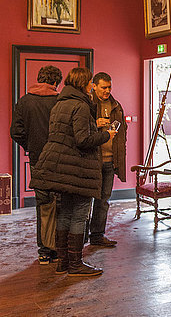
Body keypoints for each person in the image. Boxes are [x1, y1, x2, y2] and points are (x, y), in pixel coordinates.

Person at [30, 67, 116, 277]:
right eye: (89, 82)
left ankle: (63, 262)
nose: (91, 86)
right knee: (78, 215)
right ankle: (76, 264)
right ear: (84, 83)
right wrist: (106, 136)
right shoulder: (81, 105)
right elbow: (82, 140)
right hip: (77, 169)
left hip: (60, 167)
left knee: (65, 213)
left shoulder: (60, 103)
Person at [10, 65, 63, 265]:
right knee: (61, 202)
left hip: (37, 158)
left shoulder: (24, 101)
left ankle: (44, 250)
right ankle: (60, 247)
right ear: (56, 82)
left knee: (43, 203)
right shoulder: (59, 101)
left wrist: (30, 146)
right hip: (59, 158)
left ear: (39, 78)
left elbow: (16, 132)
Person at [89, 72, 127, 247]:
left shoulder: (116, 106)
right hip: (91, 159)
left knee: (104, 200)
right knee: (85, 200)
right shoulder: (87, 104)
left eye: (109, 87)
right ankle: (80, 238)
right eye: (103, 87)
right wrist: (94, 124)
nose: (107, 90)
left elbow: (122, 132)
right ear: (94, 86)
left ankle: (97, 236)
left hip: (110, 160)